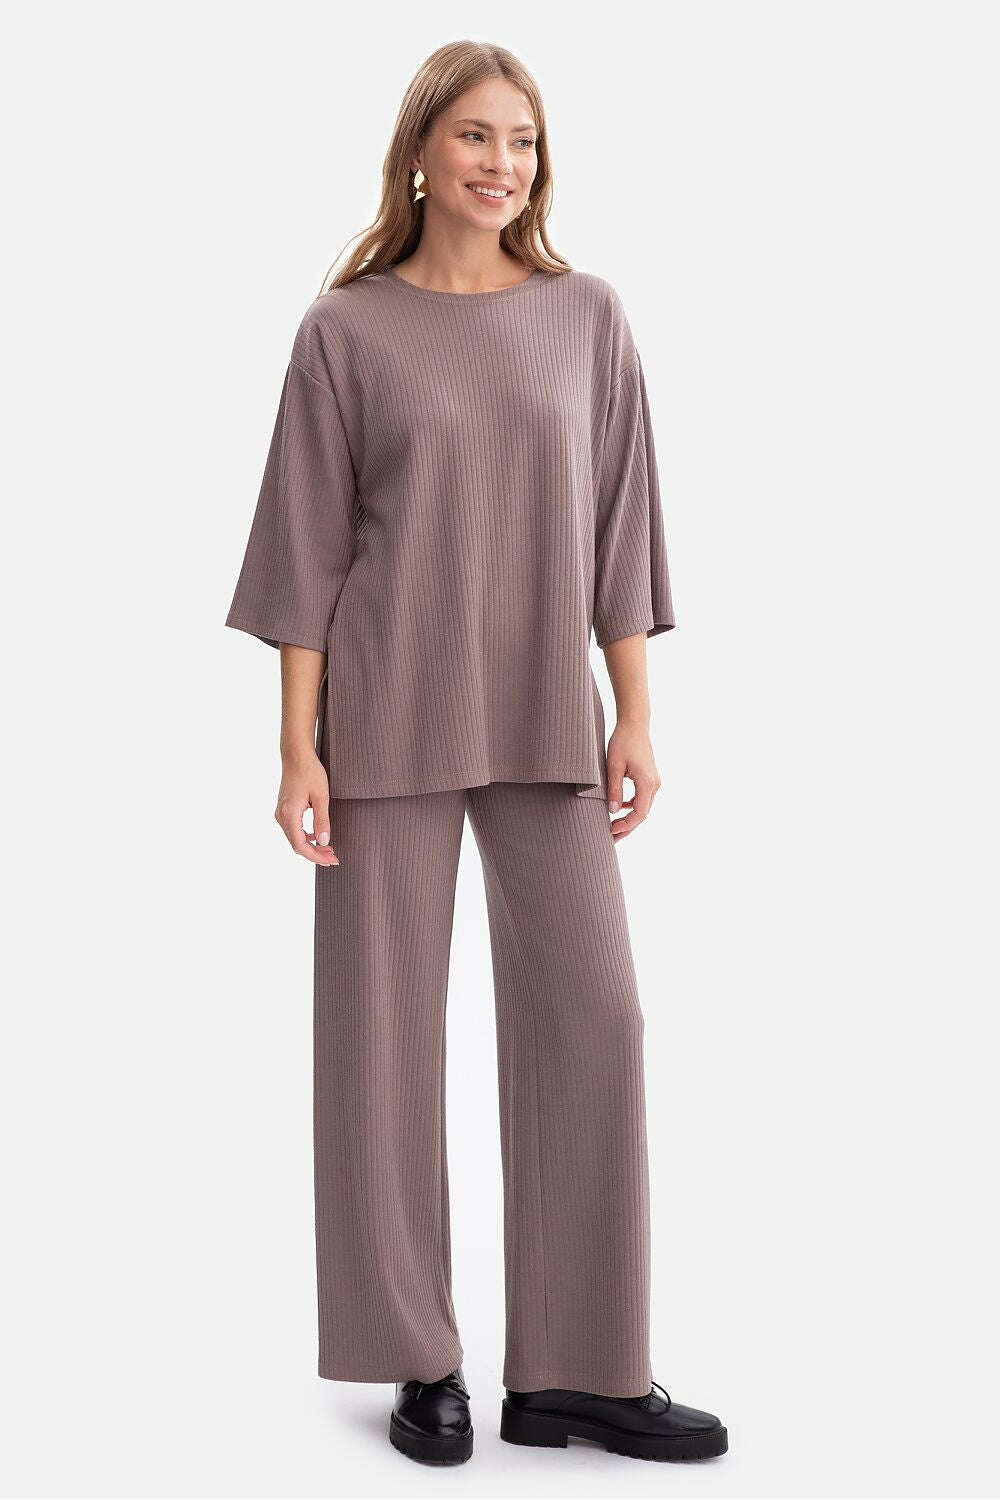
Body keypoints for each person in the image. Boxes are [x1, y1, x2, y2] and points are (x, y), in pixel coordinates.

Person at [226, 38, 728, 1467]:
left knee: (598, 1018)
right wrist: (296, 747)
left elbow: (620, 526)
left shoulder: (587, 316)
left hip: (545, 710)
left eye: (522, 140)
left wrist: (636, 712)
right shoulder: (346, 331)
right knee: (381, 1039)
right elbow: (307, 544)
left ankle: (580, 1368)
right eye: (475, 136)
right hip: (386, 706)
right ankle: (417, 1352)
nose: (502, 163)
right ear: (419, 154)